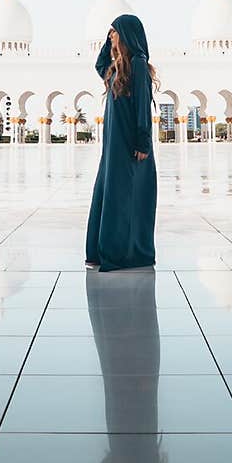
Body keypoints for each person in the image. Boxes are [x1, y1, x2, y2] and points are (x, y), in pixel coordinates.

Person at [85, 14, 158, 272]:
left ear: (126, 35)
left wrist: (142, 142)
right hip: (113, 145)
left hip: (129, 144)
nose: (111, 36)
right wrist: (108, 42)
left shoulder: (138, 64)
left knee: (125, 197)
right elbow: (99, 65)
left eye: (114, 32)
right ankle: (100, 251)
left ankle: (123, 253)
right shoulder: (117, 68)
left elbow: (142, 108)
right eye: (109, 33)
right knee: (108, 193)